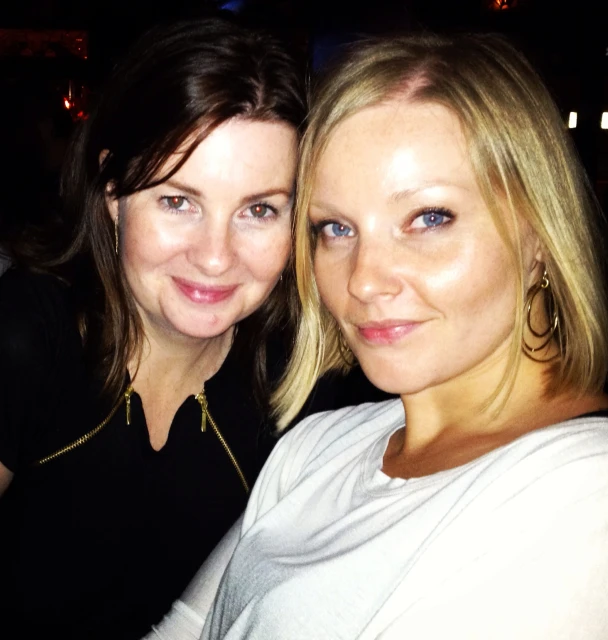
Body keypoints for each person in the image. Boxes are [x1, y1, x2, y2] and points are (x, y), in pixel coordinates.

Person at [149, 32, 608, 639]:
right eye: (335, 228)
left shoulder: (604, 490)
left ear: (538, 231)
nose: (365, 280)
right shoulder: (319, 447)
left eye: (429, 218)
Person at [0, 17, 384, 639]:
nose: (214, 256)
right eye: (178, 201)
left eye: (259, 210)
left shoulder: (304, 395)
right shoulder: (25, 337)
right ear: (115, 192)